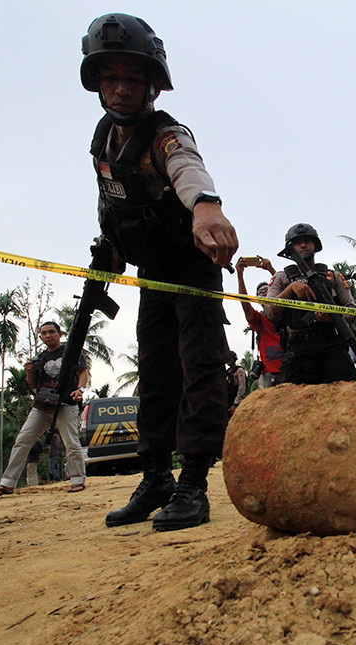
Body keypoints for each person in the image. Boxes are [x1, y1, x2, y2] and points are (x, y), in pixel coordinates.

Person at [81, 14, 237, 531]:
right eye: (110, 79)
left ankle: (193, 484)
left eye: (132, 78)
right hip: (150, 273)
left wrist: (207, 208)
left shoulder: (166, 135)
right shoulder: (103, 140)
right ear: (98, 84)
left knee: (201, 369)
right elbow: (112, 200)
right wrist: (110, 247)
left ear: (152, 84)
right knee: (154, 373)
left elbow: (188, 168)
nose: (121, 89)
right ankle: (155, 477)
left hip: (192, 270)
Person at [0, 321, 89, 496]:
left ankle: (77, 480)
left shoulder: (71, 352)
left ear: (59, 333)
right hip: (42, 406)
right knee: (23, 440)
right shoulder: (40, 358)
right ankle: (7, 483)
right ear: (40, 337)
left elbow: (83, 372)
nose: (48, 336)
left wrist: (79, 390)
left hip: (66, 404)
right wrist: (29, 371)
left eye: (51, 332)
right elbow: (33, 384)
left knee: (71, 442)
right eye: (44, 333)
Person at [264, 223, 356, 385]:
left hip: (331, 343)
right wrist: (291, 288)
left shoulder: (332, 276)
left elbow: (352, 312)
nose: (302, 245)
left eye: (307, 241)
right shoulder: (282, 278)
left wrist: (331, 317)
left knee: (346, 391)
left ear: (315, 245)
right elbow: (270, 311)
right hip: (299, 346)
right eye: (297, 242)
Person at [236, 256, 284, 388]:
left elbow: (284, 287)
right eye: (261, 292)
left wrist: (271, 269)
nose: (264, 293)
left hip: (292, 368)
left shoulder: (287, 313)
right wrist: (239, 275)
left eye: (267, 290)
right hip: (270, 373)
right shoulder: (259, 320)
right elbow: (244, 303)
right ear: (257, 299)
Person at [226, 352, 246, 417]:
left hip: (237, 400)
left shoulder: (239, 371)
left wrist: (236, 404)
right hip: (228, 400)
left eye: (230, 359)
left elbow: (242, 387)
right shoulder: (227, 372)